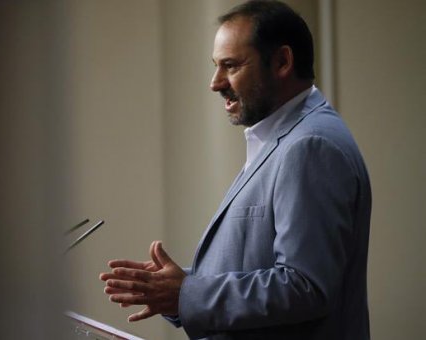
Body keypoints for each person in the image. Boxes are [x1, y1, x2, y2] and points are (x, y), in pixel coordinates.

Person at [99, 1, 372, 339]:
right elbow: (260, 265)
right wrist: (177, 291)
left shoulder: (311, 146)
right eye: (216, 66)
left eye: (230, 66)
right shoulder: (283, 138)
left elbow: (305, 286)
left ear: (282, 62)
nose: (216, 83)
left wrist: (189, 294)